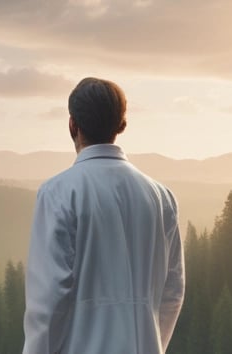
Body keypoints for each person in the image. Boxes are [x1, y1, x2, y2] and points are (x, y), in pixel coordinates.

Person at [23, 77, 185, 354]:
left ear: (73, 125)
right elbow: (172, 292)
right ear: (120, 125)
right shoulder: (161, 197)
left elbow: (48, 301)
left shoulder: (58, 193)